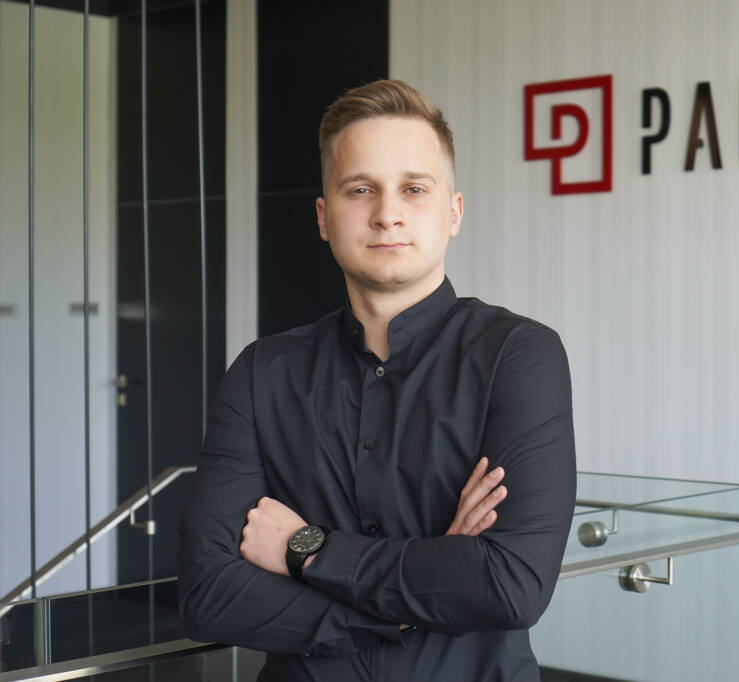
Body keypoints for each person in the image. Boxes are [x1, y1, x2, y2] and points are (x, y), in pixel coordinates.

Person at [177, 79, 577, 681]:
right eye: (360, 189)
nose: (387, 213)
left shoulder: (519, 356)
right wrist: (417, 603)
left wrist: (305, 548)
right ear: (323, 217)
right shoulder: (262, 371)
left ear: (453, 212)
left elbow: (510, 585)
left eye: (414, 189)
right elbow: (208, 594)